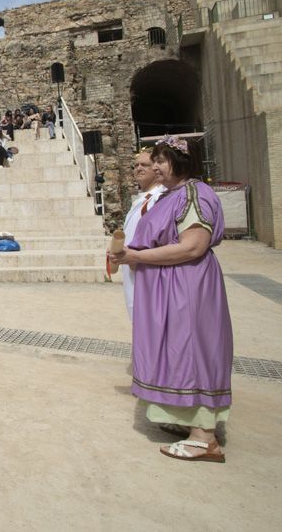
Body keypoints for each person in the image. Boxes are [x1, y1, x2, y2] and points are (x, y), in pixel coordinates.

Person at [108, 136, 232, 463]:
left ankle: (204, 438)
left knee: (191, 350)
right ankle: (189, 420)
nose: (156, 167)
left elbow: (193, 246)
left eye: (162, 161)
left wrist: (138, 257)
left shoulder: (194, 193)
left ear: (182, 162)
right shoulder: (174, 194)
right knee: (176, 351)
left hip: (185, 287)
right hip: (169, 285)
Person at [119, 150, 165, 321]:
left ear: (156, 169)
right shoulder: (142, 199)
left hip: (148, 271)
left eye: (144, 165)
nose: (138, 168)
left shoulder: (159, 198)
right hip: (133, 267)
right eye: (136, 165)